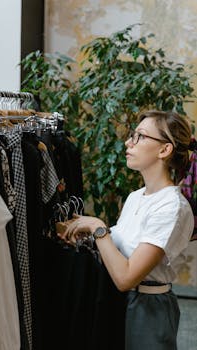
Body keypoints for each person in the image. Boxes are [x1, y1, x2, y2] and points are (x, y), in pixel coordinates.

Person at [57, 110, 195, 350]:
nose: (128, 142)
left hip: (148, 310)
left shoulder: (172, 207)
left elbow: (126, 277)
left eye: (140, 136)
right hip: (118, 302)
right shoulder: (136, 197)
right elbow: (120, 252)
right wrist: (86, 236)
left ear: (164, 150)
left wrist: (98, 228)